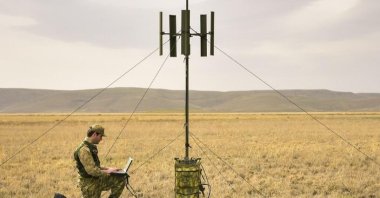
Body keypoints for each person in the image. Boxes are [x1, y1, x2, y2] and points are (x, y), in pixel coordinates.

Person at [74, 124, 127, 198]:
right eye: (101, 136)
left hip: (95, 179)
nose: (101, 139)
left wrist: (108, 169)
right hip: (89, 183)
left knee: (120, 179)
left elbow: (94, 166)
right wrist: (108, 172)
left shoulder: (90, 147)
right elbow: (92, 171)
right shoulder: (84, 150)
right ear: (95, 134)